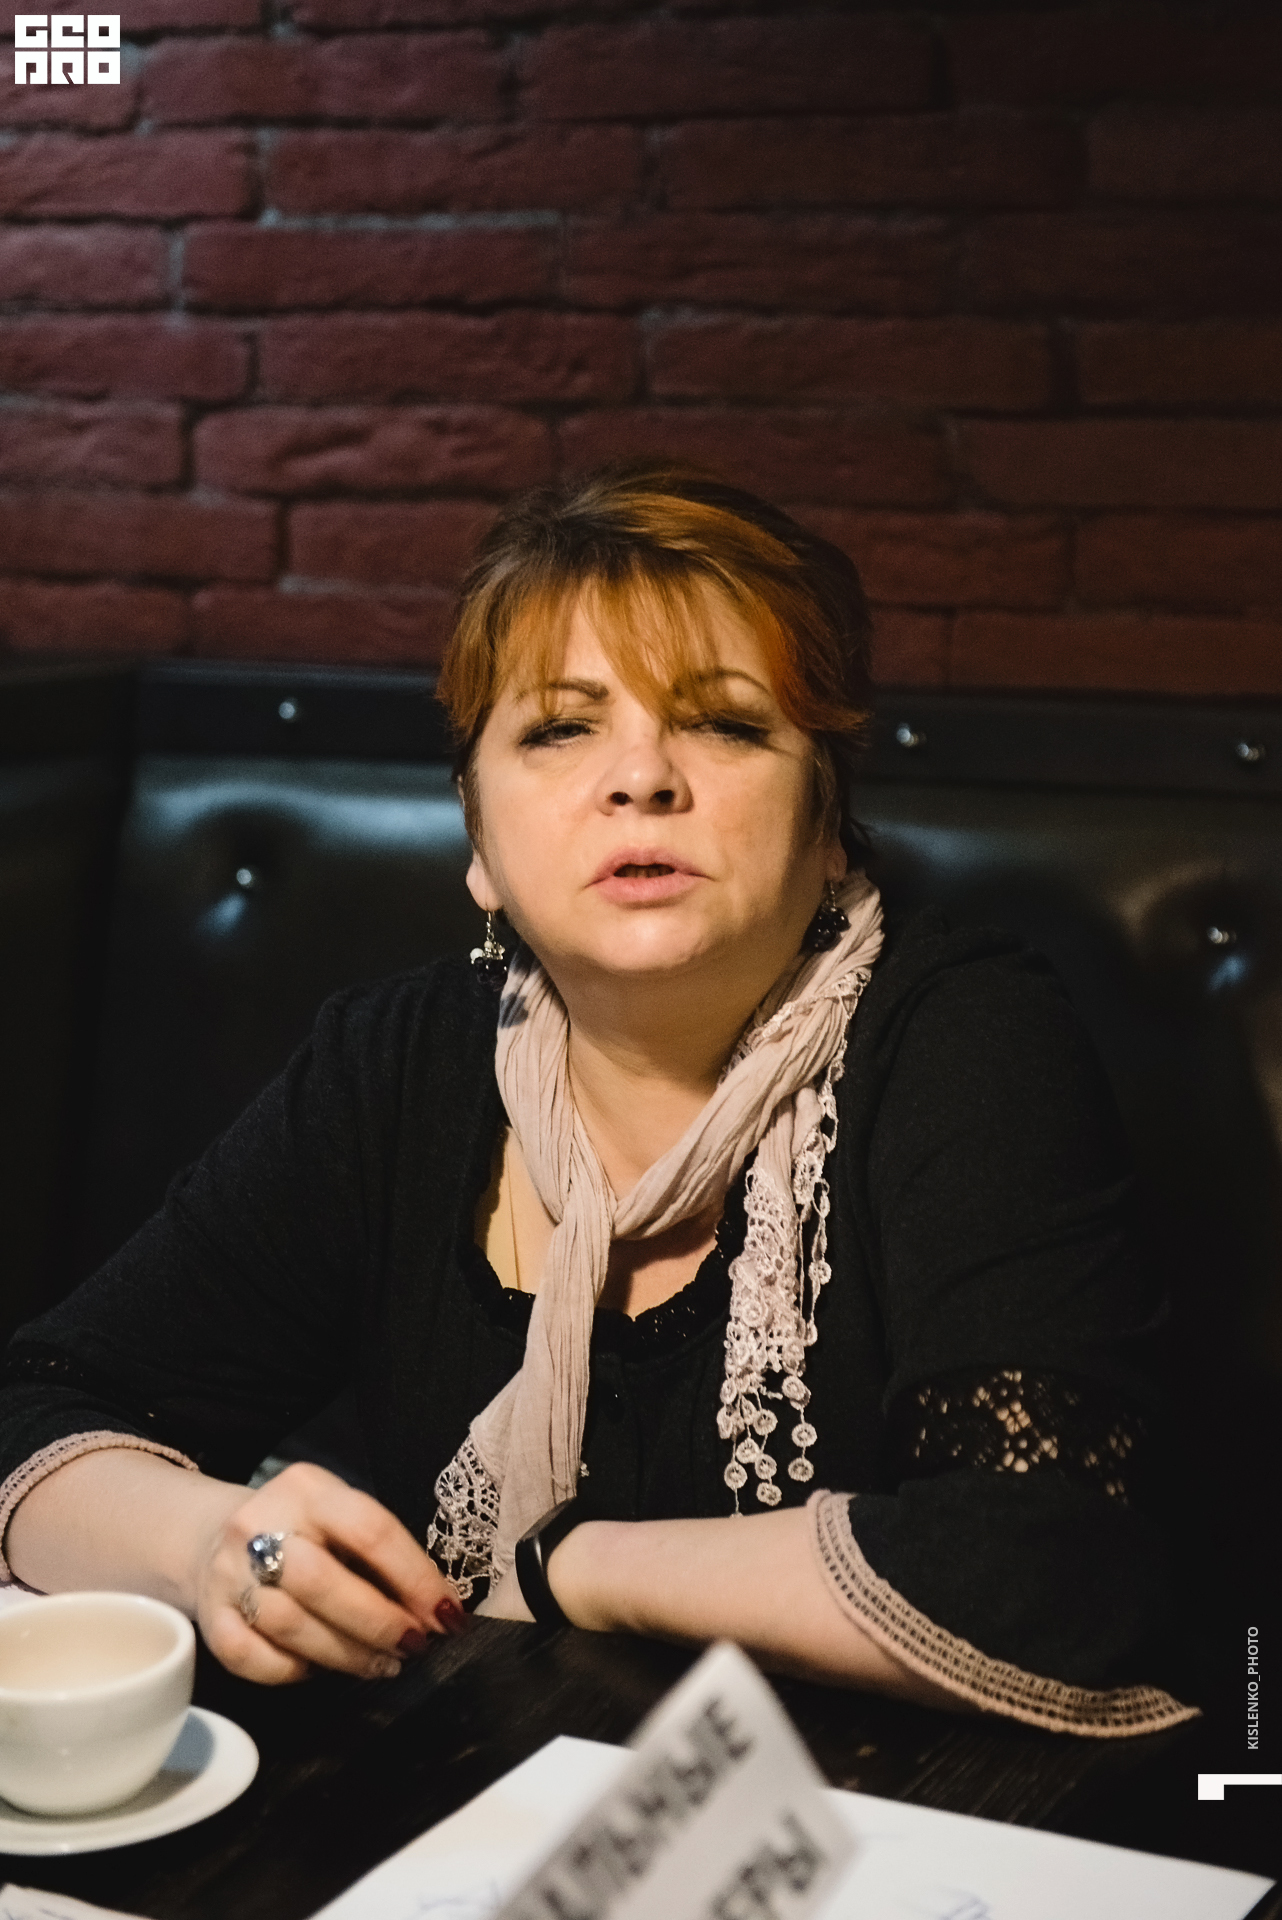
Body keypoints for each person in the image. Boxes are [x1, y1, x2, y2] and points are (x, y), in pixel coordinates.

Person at [0, 464, 1192, 1736]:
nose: (641, 778)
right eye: (561, 729)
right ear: (479, 845)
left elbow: (1048, 1566)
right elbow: (39, 1409)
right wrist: (215, 1548)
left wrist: (565, 1566)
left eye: (725, 723)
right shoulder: (396, 1062)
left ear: (830, 828)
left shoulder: (963, 1036)